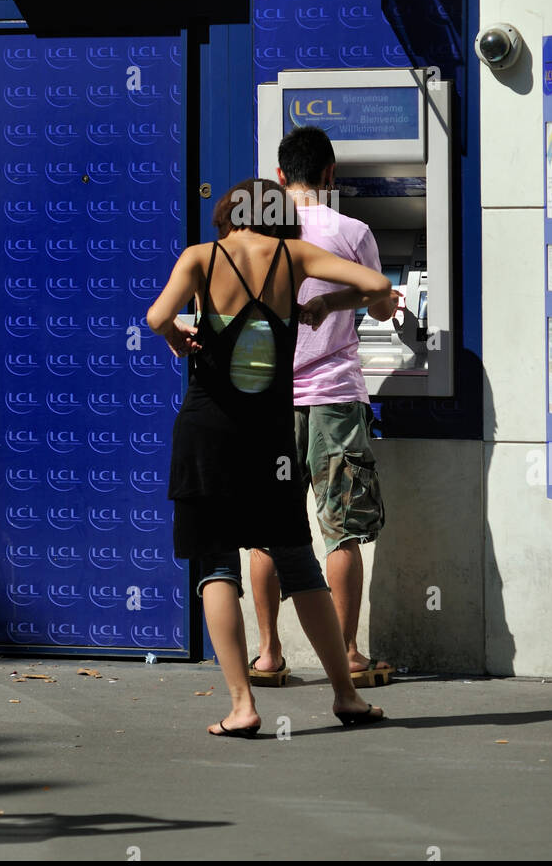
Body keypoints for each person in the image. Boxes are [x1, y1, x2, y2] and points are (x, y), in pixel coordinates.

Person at [145, 176, 394, 737]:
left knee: (215, 567)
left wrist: (178, 338)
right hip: (270, 439)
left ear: (230, 216)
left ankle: (242, 706)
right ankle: (345, 696)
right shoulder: (296, 255)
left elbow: (158, 317)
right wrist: (331, 302)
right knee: (300, 565)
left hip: (207, 433)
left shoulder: (201, 258)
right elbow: (378, 284)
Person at [249, 127, 400, 687]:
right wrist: (380, 302)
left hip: (270, 401)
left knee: (265, 527)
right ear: (331, 176)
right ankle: (348, 656)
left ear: (282, 177)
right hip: (335, 395)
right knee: (340, 531)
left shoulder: (259, 235)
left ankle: (267, 657)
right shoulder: (352, 231)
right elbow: (383, 305)